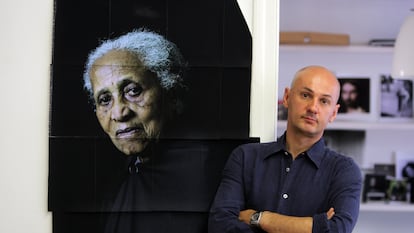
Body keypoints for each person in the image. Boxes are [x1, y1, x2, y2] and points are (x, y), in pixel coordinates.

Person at [208, 65, 362, 233]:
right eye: (305, 95)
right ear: (287, 97)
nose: (313, 108)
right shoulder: (245, 157)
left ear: (333, 113)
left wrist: (260, 218)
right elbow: (220, 225)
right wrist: (316, 225)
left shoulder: (344, 171)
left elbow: (337, 229)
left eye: (324, 101)